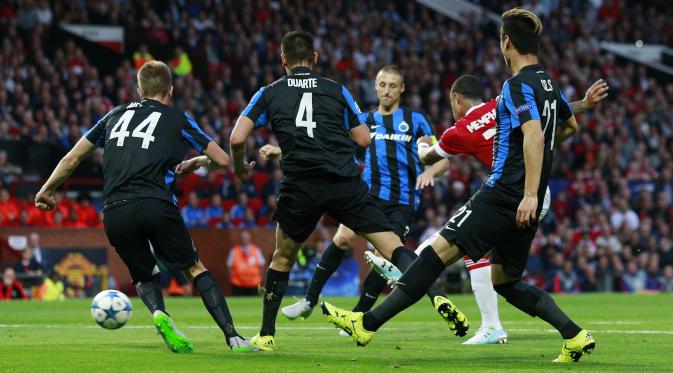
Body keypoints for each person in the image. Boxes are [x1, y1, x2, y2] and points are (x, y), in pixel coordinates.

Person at [322, 9, 596, 363]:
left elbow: (533, 136)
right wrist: (534, 186)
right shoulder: (548, 83)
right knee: (505, 281)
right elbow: (568, 126)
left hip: (503, 194)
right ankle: (574, 335)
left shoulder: (515, 86)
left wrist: (527, 191)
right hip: (526, 197)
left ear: (506, 43)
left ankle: (366, 325)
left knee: (433, 254)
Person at [219, 31, 467, 351]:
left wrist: (240, 166)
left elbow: (237, 138)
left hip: (301, 187)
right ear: (316, 59)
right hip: (344, 184)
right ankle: (438, 297)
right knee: (393, 247)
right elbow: (363, 139)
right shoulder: (337, 90)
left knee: (282, 257)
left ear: (283, 60)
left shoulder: (269, 92)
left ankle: (266, 334)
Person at [366, 75, 608, 344]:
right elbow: (546, 114)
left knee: (456, 242)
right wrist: (584, 104)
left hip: (515, 192)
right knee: (501, 276)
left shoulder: (463, 128)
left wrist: (421, 144)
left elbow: (427, 157)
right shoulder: (501, 104)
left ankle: (407, 290)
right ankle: (559, 332)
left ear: (456, 99)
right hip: (535, 189)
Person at [34, 60, 255, 353]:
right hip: (155, 203)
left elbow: (71, 158)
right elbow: (224, 160)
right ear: (171, 89)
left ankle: (160, 314)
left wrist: (46, 190)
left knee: (144, 273)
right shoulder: (178, 118)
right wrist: (198, 162)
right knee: (193, 268)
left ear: (139, 89)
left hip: (114, 210)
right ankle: (234, 338)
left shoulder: (113, 116)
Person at [274, 65, 463, 331]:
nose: (387, 90)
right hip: (368, 196)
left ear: (402, 88)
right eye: (382, 84)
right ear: (375, 87)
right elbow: (327, 145)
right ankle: (309, 299)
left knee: (384, 258)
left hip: (402, 201)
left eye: (392, 85)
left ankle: (359, 314)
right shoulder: (364, 121)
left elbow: (441, 159)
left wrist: (430, 170)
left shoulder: (416, 120)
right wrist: (282, 151)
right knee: (341, 238)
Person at [227, 231, 265, 295]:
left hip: (254, 284)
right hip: (238, 285)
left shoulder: (256, 250)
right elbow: (229, 266)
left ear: (250, 239)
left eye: (246, 237)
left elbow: (262, 265)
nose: (245, 239)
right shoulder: (234, 251)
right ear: (240, 239)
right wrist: (232, 279)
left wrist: (261, 279)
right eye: (243, 238)